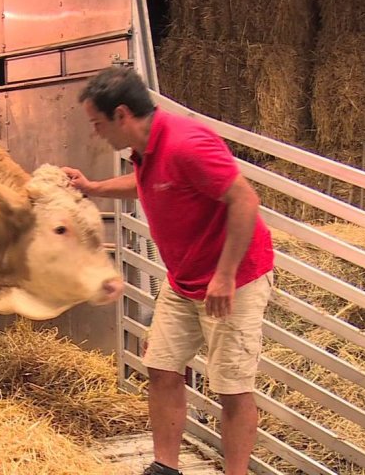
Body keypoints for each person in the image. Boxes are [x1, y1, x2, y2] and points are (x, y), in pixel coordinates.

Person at [62, 67, 274, 475]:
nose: (96, 133)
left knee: (231, 386)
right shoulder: (148, 151)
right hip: (185, 279)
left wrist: (225, 275)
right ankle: (166, 467)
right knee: (160, 366)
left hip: (235, 280)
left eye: (97, 123)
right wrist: (94, 187)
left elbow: (245, 200)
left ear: (121, 114)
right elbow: (149, 183)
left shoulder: (186, 143)